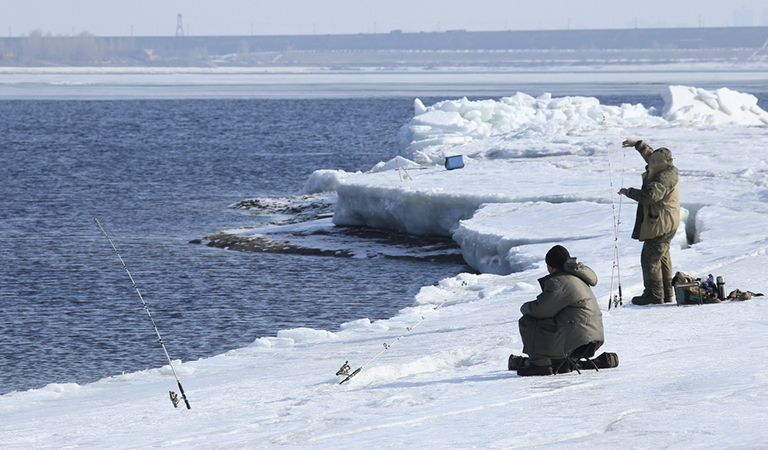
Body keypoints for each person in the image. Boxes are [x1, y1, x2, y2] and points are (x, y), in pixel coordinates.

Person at [510, 245, 606, 376]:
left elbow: (541, 310)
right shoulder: (577, 276)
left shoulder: (559, 281)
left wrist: (525, 307)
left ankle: (540, 364)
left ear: (551, 267)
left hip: (578, 337)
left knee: (529, 321)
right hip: (593, 334)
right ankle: (561, 362)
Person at [618, 139, 680, 305]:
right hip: (668, 222)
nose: (650, 162)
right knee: (663, 257)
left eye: (654, 161)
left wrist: (628, 192)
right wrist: (638, 144)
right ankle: (666, 294)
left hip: (660, 224)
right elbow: (651, 158)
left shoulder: (664, 178)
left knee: (650, 259)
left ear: (662, 163)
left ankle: (653, 295)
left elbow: (650, 197)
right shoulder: (667, 168)